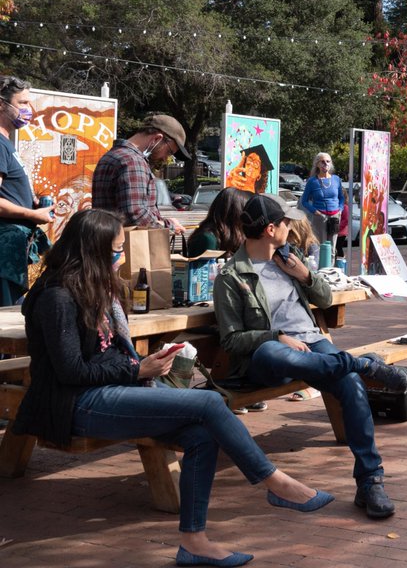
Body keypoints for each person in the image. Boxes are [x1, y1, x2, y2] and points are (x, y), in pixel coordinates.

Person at [13, 208, 333, 567]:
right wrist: (137, 369)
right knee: (210, 404)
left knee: (201, 433)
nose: (123, 257)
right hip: (75, 404)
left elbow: (107, 356)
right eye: (117, 250)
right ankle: (275, 483)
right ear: (92, 251)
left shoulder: (95, 286)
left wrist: (144, 366)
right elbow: (71, 371)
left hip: (108, 392)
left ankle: (194, 542)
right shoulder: (56, 296)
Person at [213, 194, 407, 519]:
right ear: (269, 229)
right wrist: (276, 336)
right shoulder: (232, 276)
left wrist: (304, 274)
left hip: (313, 346)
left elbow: (324, 297)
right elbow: (232, 340)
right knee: (288, 356)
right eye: (285, 222)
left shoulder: (287, 259)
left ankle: (370, 481)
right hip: (268, 356)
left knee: (350, 383)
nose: (290, 226)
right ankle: (364, 364)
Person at [0, 76, 53, 306]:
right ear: (2, 104)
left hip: (13, 250)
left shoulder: (7, 143)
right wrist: (33, 215)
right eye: (22, 103)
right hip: (4, 252)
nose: (29, 109)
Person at [92, 113, 189, 236]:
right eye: (169, 151)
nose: (166, 158)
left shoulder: (111, 156)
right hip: (126, 248)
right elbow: (135, 215)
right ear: (157, 139)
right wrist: (168, 225)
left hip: (105, 241)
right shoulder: (133, 161)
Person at [186, 187, 252, 258]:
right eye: (247, 211)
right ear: (236, 213)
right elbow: (199, 268)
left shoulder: (236, 235)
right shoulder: (208, 239)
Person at [298, 152, 343, 246]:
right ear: (317, 164)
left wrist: (340, 210)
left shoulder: (336, 179)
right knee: (320, 246)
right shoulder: (312, 181)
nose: (325, 164)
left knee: (332, 247)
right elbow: (304, 201)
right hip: (319, 217)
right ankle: (321, 261)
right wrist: (315, 211)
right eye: (322, 162)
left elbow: (341, 198)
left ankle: (331, 262)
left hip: (334, 217)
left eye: (328, 161)